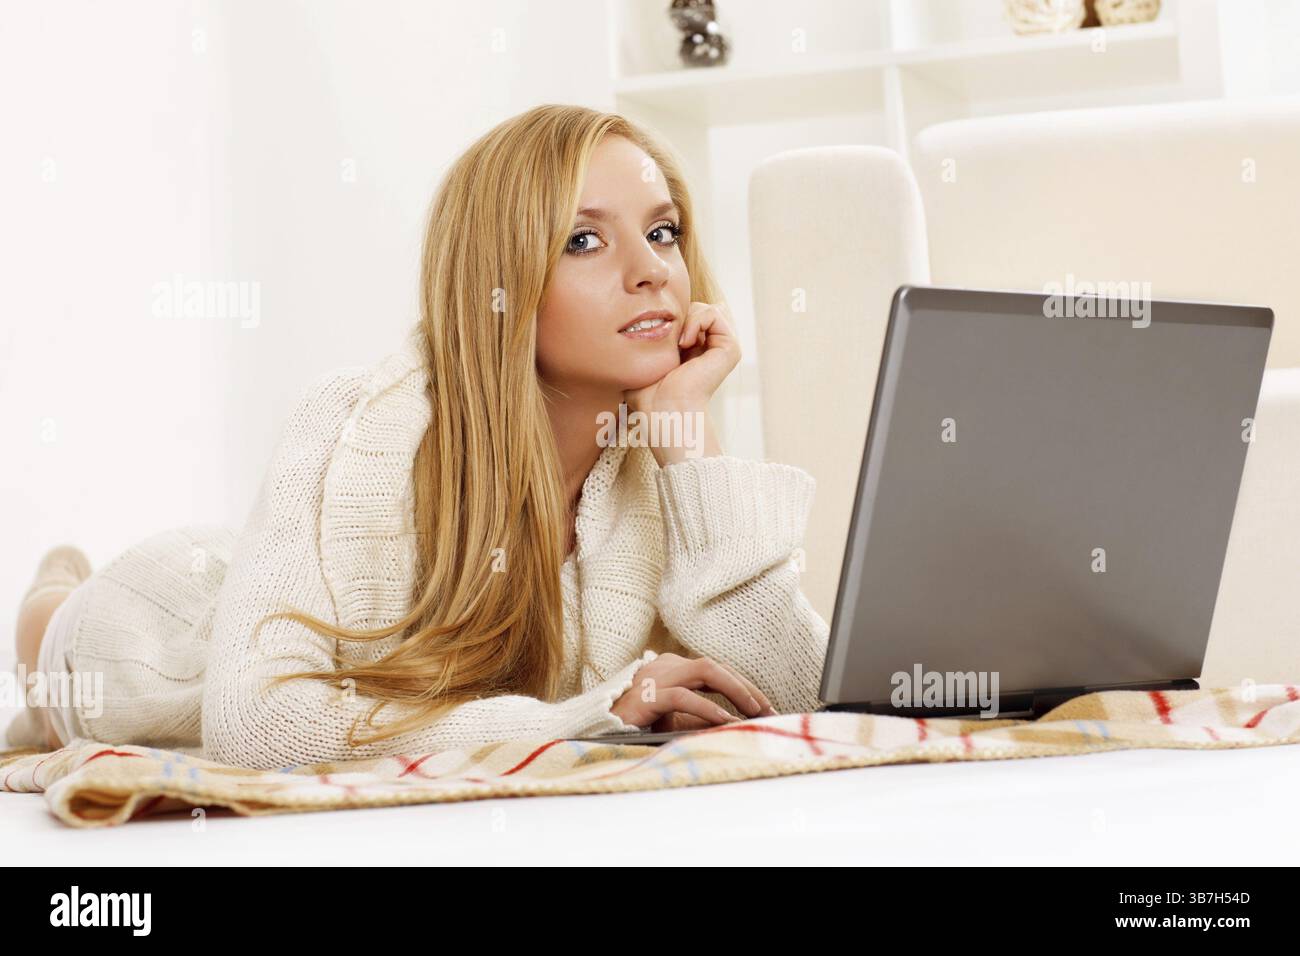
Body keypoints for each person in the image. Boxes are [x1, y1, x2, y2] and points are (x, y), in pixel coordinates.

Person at [6, 104, 828, 770]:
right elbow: (255, 729)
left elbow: (805, 692)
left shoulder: (659, 455)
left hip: (278, 588)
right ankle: (54, 585)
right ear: (498, 284)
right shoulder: (351, 422)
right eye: (583, 239)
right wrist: (589, 716)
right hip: (163, 634)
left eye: (663, 230)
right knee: (53, 644)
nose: (651, 269)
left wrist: (688, 435)